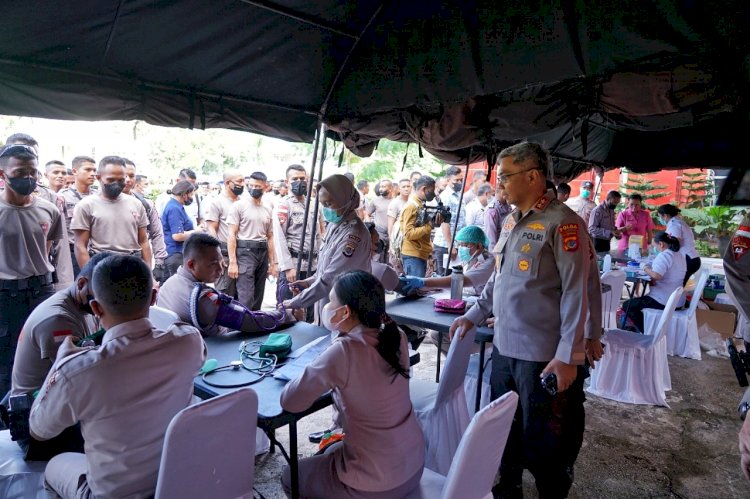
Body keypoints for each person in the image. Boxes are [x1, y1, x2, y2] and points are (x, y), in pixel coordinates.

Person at [449, 142, 590, 497]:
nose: (500, 185)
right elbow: (500, 279)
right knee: (504, 432)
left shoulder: (564, 224)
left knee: (547, 442)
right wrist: (474, 313)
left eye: (506, 177)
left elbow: (577, 292)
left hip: (543, 356)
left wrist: (568, 356)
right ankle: (507, 488)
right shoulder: (512, 222)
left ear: (532, 176)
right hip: (505, 349)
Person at [29, 255, 206, 499]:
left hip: (111, 494)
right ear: (153, 299)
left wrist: (61, 361)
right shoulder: (189, 342)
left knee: (54, 466)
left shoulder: (78, 371)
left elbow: (39, 429)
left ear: (96, 308)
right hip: (174, 482)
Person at [280, 270, 424, 498]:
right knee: (332, 449)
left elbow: (291, 402)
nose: (327, 307)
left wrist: (320, 364)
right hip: (412, 465)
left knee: (290, 476)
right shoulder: (396, 336)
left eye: (331, 302)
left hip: (374, 483)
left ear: (345, 311)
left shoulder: (343, 351)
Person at [7, 252, 110, 460]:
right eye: (99, 301)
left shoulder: (80, 306)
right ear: (81, 284)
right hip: (36, 428)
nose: (102, 308)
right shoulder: (58, 320)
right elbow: (79, 383)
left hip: (53, 407)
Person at [0, 144, 63, 396]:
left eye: (33, 172)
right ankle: (8, 420)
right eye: (20, 172)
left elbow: (47, 250)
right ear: (3, 174)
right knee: (6, 360)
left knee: (45, 354)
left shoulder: (49, 209)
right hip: (5, 297)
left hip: (41, 292)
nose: (28, 178)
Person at [282, 174, 371, 323]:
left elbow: (331, 278)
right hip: (328, 301)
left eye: (329, 204)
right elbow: (325, 269)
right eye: (323, 204)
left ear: (345, 200)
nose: (325, 209)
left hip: (347, 306)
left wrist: (296, 302)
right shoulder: (335, 225)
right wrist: (308, 282)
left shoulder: (354, 234)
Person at [71, 156, 151, 269]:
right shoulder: (86, 205)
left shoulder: (136, 204)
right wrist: (88, 277)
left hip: (133, 265)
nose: (116, 184)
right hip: (103, 266)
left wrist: (149, 274)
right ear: (98, 178)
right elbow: (80, 246)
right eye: (111, 180)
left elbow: (144, 241)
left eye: (121, 180)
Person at [274, 164, 322, 321]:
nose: (299, 182)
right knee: (288, 311)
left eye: (302, 179)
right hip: (293, 266)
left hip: (313, 265)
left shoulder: (314, 204)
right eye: (295, 179)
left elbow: (318, 235)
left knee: (310, 311)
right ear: (287, 182)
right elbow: (279, 238)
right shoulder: (284, 205)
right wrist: (287, 267)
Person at [227, 171, 278, 311]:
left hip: (262, 251)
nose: (254, 189)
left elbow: (270, 236)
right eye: (251, 185)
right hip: (245, 251)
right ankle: (242, 329)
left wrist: (272, 263)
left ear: (266, 187)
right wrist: (233, 262)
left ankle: (254, 327)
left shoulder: (268, 207)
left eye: (258, 186)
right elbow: (231, 234)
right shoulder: (239, 206)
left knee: (258, 295)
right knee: (246, 296)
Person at [401, 225, 494, 296]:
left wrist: (424, 282)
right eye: (460, 245)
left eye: (465, 245)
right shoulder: (470, 259)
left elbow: (460, 280)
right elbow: (453, 277)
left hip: (477, 300)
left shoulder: (488, 262)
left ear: (479, 245)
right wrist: (432, 281)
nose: (461, 248)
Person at [622, 231, 686, 332]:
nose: (655, 249)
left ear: (661, 244)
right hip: (677, 300)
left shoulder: (665, 255)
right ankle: (649, 326)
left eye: (655, 246)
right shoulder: (679, 255)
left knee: (628, 305)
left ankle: (647, 331)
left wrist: (645, 268)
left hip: (664, 300)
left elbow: (657, 275)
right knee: (639, 300)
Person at [123, 158, 168, 283]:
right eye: (124, 175)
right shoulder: (99, 203)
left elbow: (156, 233)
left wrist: (159, 263)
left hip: (138, 261)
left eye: (131, 175)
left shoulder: (145, 204)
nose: (127, 179)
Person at [205, 169, 245, 297]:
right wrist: (218, 255)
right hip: (225, 255)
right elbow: (212, 229)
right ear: (228, 183)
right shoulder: (217, 202)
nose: (243, 184)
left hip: (243, 253)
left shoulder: (243, 202)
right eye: (239, 181)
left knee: (243, 296)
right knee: (226, 294)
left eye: (244, 180)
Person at [60, 156, 97, 276]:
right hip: (73, 254)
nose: (92, 174)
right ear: (75, 171)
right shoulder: (62, 197)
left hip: (97, 252)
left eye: (94, 170)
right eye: (87, 170)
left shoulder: (100, 197)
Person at [399, 175, 440, 277]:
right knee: (414, 289)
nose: (433, 194)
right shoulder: (411, 206)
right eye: (431, 190)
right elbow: (408, 234)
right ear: (424, 189)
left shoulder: (420, 204)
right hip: (413, 255)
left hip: (419, 254)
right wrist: (430, 225)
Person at [161, 180, 202, 278]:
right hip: (176, 254)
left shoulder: (176, 206)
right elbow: (177, 236)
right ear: (184, 194)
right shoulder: (174, 208)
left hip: (178, 253)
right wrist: (196, 232)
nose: (191, 197)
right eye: (191, 194)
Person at [433, 166, 466, 275]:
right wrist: (450, 245)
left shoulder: (459, 195)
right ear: (448, 180)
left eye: (461, 180)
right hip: (445, 245)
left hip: (457, 244)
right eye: (456, 180)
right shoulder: (445, 197)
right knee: (444, 279)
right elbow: (444, 222)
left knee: (455, 278)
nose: (459, 182)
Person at [657, 204, 701, 285]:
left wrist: (662, 251)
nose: (660, 219)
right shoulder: (677, 222)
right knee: (678, 285)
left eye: (660, 216)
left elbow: (676, 243)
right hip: (691, 258)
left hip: (688, 258)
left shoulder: (674, 224)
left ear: (665, 216)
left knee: (676, 285)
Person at [366, 178, 392, 261]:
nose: (381, 189)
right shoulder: (375, 200)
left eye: (384, 187)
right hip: (379, 233)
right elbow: (367, 213)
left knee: (389, 260)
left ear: (390, 188)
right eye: (380, 186)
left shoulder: (395, 201)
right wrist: (370, 226)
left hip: (392, 235)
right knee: (377, 258)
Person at [484, 182, 512, 249]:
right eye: (509, 190)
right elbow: (491, 241)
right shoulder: (492, 210)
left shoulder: (508, 206)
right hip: (498, 252)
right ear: (502, 190)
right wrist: (497, 258)